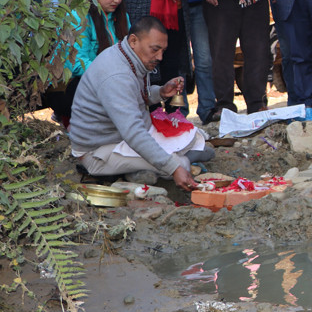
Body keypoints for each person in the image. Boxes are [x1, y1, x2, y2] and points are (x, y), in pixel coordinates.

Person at [69, 16, 214, 189]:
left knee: (197, 139)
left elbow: (134, 98)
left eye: (162, 50)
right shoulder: (116, 75)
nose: (160, 57)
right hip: (99, 152)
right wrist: (173, 168)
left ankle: (142, 168)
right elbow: (133, 132)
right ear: (133, 41)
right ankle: (139, 171)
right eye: (155, 49)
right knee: (181, 164)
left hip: (122, 138)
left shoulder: (128, 56)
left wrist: (160, 92)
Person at [42, 0, 130, 128]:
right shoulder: (78, 17)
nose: (117, 0)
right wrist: (111, 78)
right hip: (70, 84)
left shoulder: (121, 17)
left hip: (107, 81)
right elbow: (78, 63)